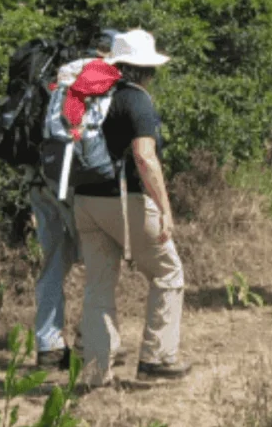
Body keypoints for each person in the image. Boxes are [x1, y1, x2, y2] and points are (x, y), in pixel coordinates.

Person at [73, 29, 189, 386]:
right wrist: (165, 208)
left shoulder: (93, 96)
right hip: (125, 200)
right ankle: (157, 358)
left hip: (84, 200)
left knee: (99, 285)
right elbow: (144, 156)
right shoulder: (136, 99)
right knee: (168, 273)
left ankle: (95, 372)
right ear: (144, 70)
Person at [32, 29, 118, 367]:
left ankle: (49, 345)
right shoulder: (104, 76)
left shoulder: (61, 74)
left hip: (42, 176)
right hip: (74, 180)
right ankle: (87, 342)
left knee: (54, 259)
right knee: (98, 256)